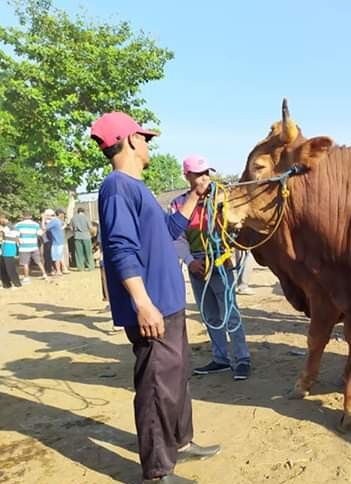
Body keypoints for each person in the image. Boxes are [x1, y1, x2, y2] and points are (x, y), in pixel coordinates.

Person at [91, 112, 219, 484]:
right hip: (152, 307)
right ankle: (158, 472)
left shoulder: (136, 187)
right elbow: (120, 248)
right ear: (130, 140)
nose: (148, 144)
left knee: (177, 377)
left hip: (169, 303)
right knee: (155, 386)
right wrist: (142, 303)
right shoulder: (117, 187)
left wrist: (195, 197)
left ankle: (181, 441)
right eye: (144, 138)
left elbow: (167, 230)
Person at [171, 155, 252, 380]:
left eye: (207, 173)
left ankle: (242, 358)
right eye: (199, 174)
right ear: (187, 176)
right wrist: (190, 261)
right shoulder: (178, 204)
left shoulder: (222, 197)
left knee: (231, 313)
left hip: (220, 261)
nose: (205, 178)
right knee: (209, 314)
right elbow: (176, 237)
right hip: (196, 263)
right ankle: (220, 358)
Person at [15, 210, 49, 283]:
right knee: (38, 261)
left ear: (23, 216)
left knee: (25, 263)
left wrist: (18, 244)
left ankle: (26, 277)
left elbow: (16, 236)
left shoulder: (18, 225)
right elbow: (40, 233)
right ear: (31, 216)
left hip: (24, 247)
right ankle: (44, 274)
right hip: (34, 246)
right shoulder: (35, 225)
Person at [1, 215, 22, 289]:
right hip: (3, 249)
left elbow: (16, 236)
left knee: (10, 268)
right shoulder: (5, 227)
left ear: (5, 219)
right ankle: (6, 284)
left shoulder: (9, 227)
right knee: (2, 268)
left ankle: (17, 284)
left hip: (9, 249)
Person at [45, 209, 69, 276]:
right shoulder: (58, 221)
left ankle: (58, 271)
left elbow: (44, 228)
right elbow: (63, 224)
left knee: (56, 257)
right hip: (60, 241)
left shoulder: (54, 221)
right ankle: (64, 269)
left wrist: (43, 219)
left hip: (56, 242)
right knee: (60, 256)